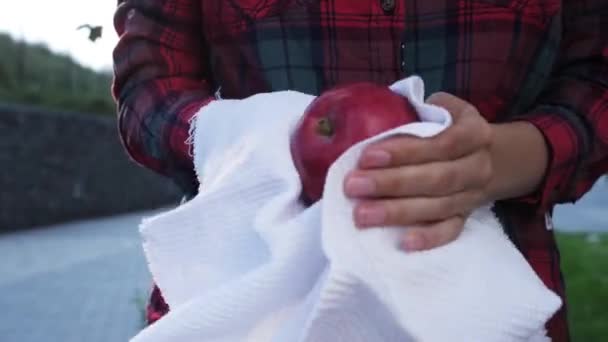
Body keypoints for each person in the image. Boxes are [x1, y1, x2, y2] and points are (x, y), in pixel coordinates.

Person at [111, 1, 607, 341]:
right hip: (254, 301)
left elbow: (596, 76)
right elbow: (150, 80)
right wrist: (259, 141)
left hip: (482, 299)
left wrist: (499, 161)